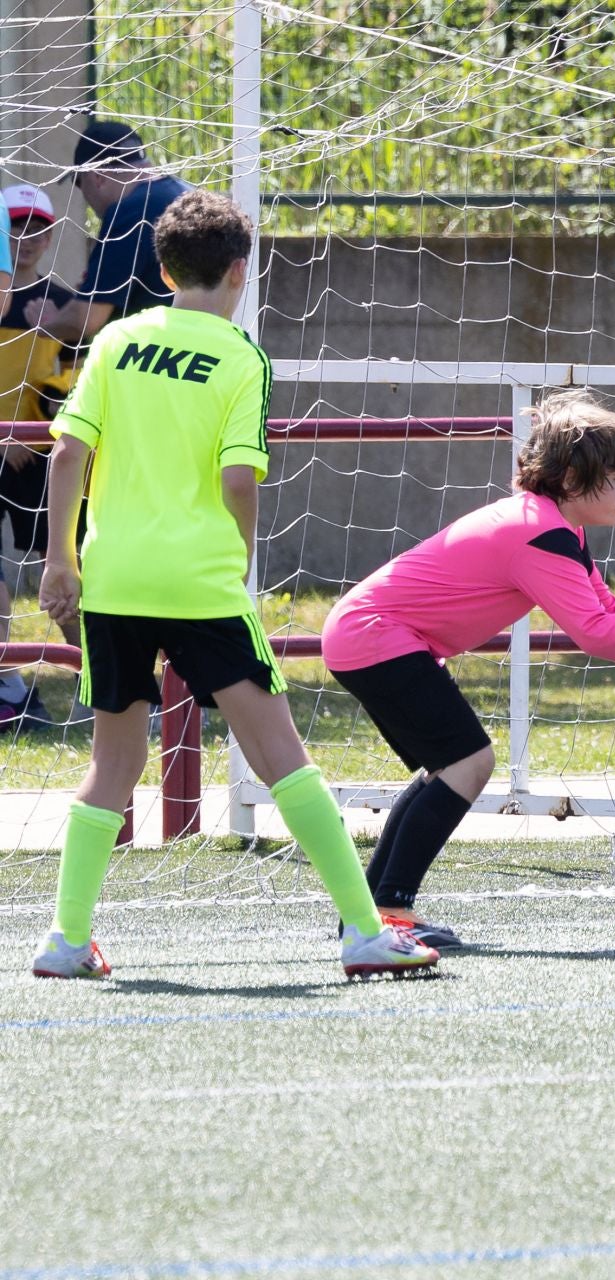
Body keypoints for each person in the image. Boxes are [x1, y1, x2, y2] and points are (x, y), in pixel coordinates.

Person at [31, 189, 435, 980]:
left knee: (111, 765)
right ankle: (362, 931)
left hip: (111, 581)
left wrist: (59, 562)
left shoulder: (116, 340)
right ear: (241, 271)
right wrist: (240, 561)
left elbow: (67, 455)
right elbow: (240, 478)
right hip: (200, 587)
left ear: (161, 266)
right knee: (283, 757)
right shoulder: (241, 356)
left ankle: (66, 942)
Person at [320, 390, 615, 948]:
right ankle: (385, 912)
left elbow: (610, 611)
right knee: (468, 763)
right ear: (570, 480)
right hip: (376, 636)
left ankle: (374, 913)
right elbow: (594, 632)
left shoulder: (554, 526)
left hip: (372, 635)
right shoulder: (538, 533)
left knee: (449, 766)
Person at [0, 183, 72, 731]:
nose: (24, 238)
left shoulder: (63, 305)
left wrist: (32, 434)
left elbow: (72, 385)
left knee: (67, 568)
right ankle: (9, 684)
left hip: (40, 456)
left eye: (35, 227)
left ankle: (99, 676)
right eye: (14, 225)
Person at [43, 120, 192, 347]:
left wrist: (42, 325)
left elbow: (86, 319)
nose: (84, 196)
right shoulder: (184, 194)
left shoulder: (130, 211)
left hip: (155, 358)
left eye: (79, 183)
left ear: (98, 178)